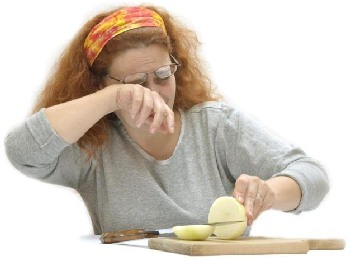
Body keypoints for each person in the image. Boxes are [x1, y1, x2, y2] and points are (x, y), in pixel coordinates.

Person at [4, 5, 329, 236]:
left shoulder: (217, 127)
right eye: (134, 83)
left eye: (163, 75)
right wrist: (113, 99)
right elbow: (22, 152)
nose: (155, 93)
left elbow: (312, 176)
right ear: (99, 86)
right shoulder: (94, 147)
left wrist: (269, 192)